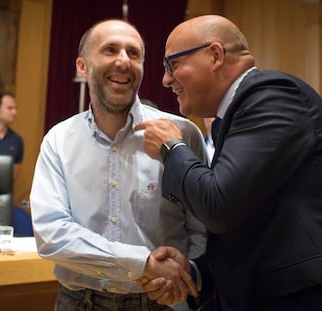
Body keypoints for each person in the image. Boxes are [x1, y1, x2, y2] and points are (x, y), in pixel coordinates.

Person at [134, 14, 322, 310]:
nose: (166, 79)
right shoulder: (236, 113)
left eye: (173, 65)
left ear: (215, 54)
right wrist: (195, 274)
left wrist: (172, 147)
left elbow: (219, 206)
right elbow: (249, 225)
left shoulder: (272, 96)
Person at [29, 19, 208, 311]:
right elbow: (51, 234)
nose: (123, 61)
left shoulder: (183, 134)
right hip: (80, 301)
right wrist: (144, 264)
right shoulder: (59, 140)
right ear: (82, 67)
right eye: (110, 50)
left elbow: (201, 227)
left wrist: (186, 272)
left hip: (164, 301)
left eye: (133, 53)